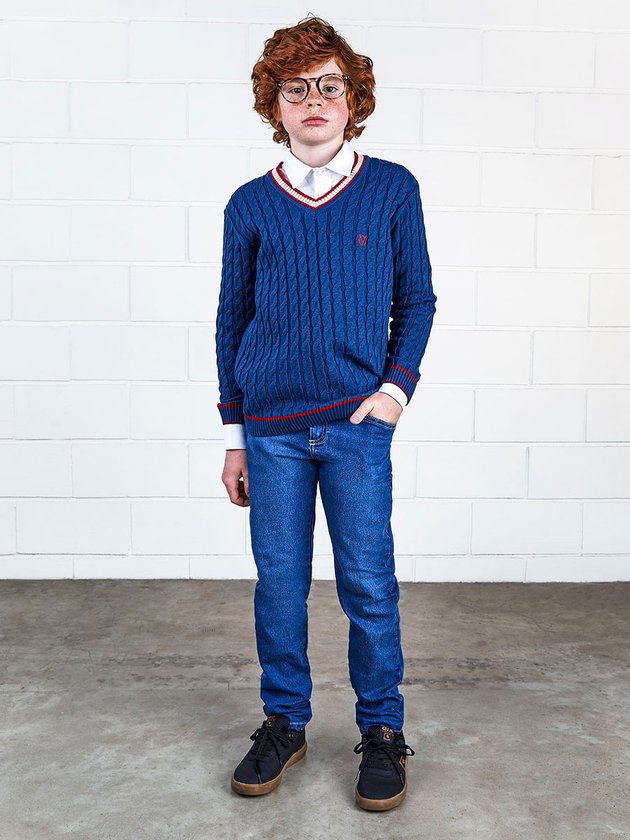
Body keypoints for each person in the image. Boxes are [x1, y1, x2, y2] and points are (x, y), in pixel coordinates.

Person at [215, 15, 437, 811]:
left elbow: (417, 299)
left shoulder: (392, 188)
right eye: (295, 88)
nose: (313, 100)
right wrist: (235, 436)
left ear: (354, 100)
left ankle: (381, 729)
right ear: (274, 106)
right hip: (270, 435)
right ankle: (285, 721)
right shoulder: (250, 205)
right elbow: (231, 320)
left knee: (368, 585)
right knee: (279, 585)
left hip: (354, 430)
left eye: (329, 86)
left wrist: (394, 392)